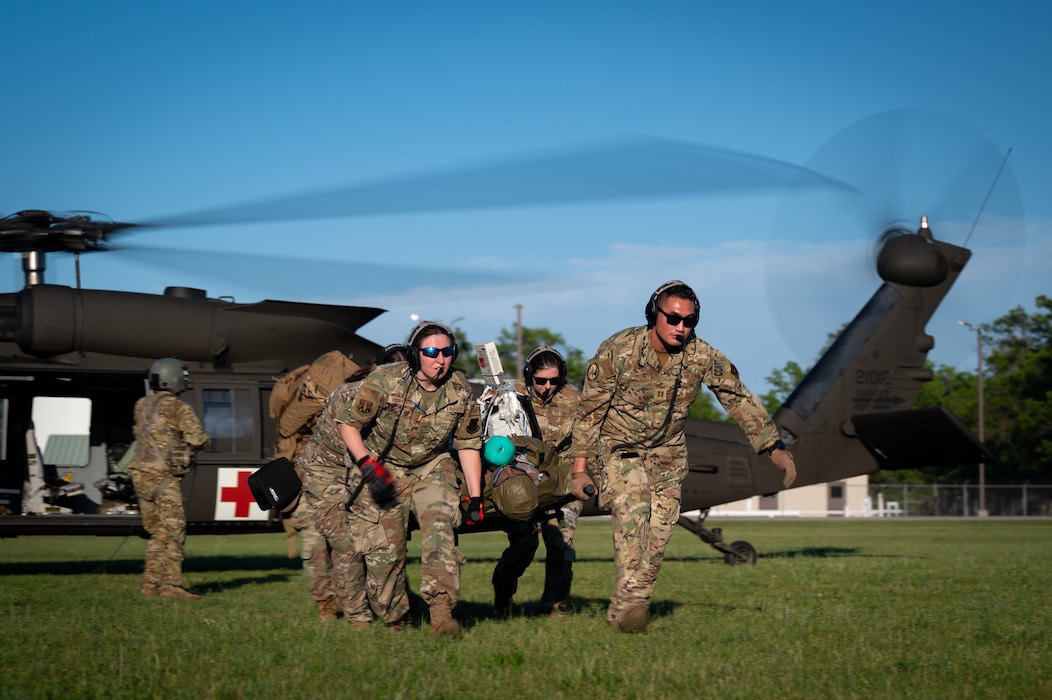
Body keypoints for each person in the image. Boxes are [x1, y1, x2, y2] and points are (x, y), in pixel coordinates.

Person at [569, 280, 797, 633]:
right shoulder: (618, 349)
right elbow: (589, 413)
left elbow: (735, 395)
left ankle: (626, 605)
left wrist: (773, 446)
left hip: (668, 455)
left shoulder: (701, 355)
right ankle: (634, 606)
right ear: (653, 314)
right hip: (618, 447)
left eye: (689, 322)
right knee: (635, 513)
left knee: (658, 536)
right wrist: (580, 469)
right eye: (673, 319)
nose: (681, 328)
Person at [310, 322, 483, 637]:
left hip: (432, 465)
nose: (439, 359)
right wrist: (366, 464)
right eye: (431, 352)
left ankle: (441, 612)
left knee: (440, 525)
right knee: (384, 555)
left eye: (446, 352)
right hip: (384, 466)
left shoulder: (459, 388)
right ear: (416, 355)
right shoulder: (385, 381)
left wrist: (476, 497)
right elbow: (348, 425)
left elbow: (468, 445)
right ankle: (394, 620)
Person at [295, 344, 407, 627]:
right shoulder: (349, 396)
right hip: (325, 473)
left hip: (356, 470)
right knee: (346, 544)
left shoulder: (400, 400)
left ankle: (392, 610)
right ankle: (358, 618)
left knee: (379, 542)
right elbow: (355, 453)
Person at [271, 350, 369, 623]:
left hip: (328, 477)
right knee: (322, 542)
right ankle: (328, 602)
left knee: (332, 543)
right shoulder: (325, 405)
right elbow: (288, 429)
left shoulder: (344, 402)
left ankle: (336, 601)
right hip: (307, 477)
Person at [491, 346, 582, 617]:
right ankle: (502, 597)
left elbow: (586, 442)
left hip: (559, 481)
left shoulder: (574, 399)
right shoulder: (511, 396)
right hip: (522, 480)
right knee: (524, 545)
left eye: (554, 381)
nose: (547, 387)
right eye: (540, 380)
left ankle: (553, 607)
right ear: (529, 375)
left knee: (560, 544)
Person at [128, 357, 210, 601]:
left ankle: (150, 584)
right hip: (163, 477)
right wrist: (204, 441)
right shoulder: (178, 407)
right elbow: (197, 439)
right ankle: (171, 586)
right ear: (173, 377)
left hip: (140, 475)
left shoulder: (141, 404)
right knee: (174, 530)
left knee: (159, 532)